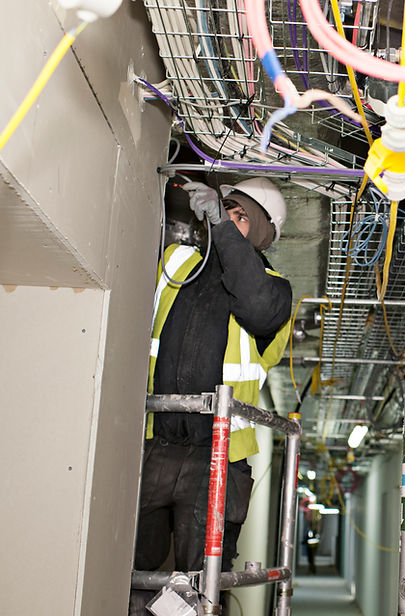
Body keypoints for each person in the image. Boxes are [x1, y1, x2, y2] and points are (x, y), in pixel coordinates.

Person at [130, 176, 293, 614]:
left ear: (262, 233)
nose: (225, 221)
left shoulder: (274, 290)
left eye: (241, 218)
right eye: (225, 211)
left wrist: (222, 226)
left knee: (198, 587)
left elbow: (257, 306)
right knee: (127, 568)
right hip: (154, 444)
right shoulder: (178, 262)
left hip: (216, 456)